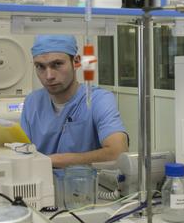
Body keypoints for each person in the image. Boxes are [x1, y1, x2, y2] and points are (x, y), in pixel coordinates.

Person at [20, 35, 128, 168]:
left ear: (76, 62)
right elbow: (21, 152)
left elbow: (118, 152)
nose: (49, 76)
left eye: (57, 64)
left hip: (86, 180)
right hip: (40, 180)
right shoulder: (32, 102)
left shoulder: (98, 99)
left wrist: (52, 160)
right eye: (40, 66)